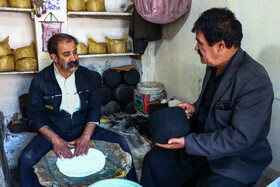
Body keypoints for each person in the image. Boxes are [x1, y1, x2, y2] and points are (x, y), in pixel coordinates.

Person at [140, 7, 274, 187]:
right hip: (203, 148)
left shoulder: (254, 80)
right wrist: (195, 108)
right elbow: (215, 105)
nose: (196, 47)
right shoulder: (214, 66)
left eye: (200, 43)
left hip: (234, 160)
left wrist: (188, 143)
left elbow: (239, 137)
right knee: (155, 161)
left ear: (220, 45)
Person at [18, 33, 137, 186]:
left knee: (121, 143)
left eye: (75, 52)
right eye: (66, 54)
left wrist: (86, 136)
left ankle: (132, 184)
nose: (73, 58)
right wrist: (55, 140)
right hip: (55, 130)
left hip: (83, 127)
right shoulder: (41, 81)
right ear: (54, 57)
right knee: (26, 159)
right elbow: (35, 117)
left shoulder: (86, 76)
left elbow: (94, 108)